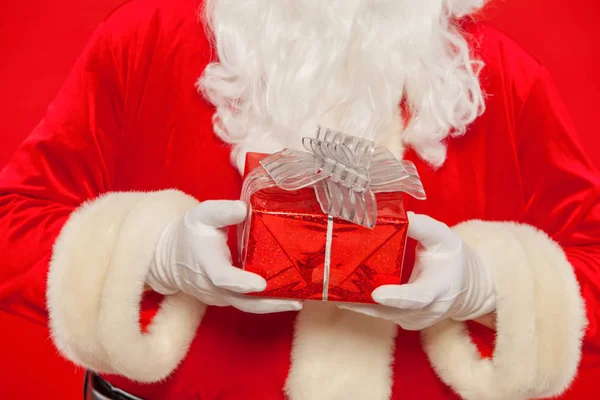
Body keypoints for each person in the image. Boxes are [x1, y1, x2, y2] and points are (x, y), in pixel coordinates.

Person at [1, 0, 598, 398]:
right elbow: (12, 224)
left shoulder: (501, 77)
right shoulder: (144, 39)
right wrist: (149, 253)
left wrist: (489, 285)